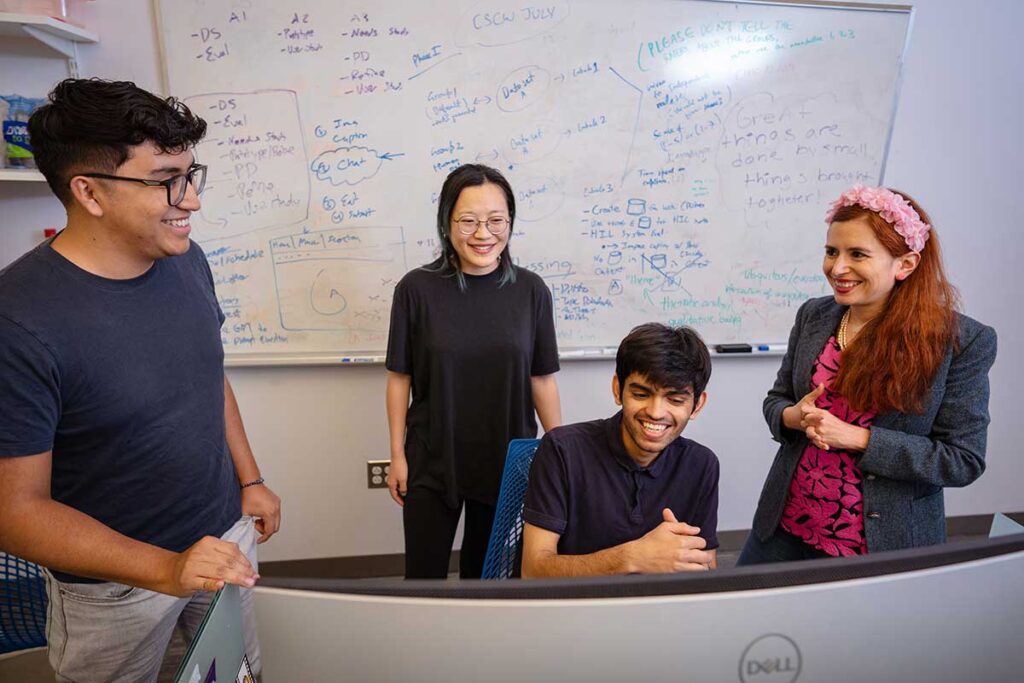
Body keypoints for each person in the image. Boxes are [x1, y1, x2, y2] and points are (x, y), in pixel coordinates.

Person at [0, 78, 281, 681]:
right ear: (89, 192)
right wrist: (166, 569)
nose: (192, 201)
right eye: (164, 181)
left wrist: (248, 477)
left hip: (221, 543)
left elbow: (209, 375)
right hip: (113, 594)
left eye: (190, 174)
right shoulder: (17, 320)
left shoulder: (186, 259)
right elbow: (14, 511)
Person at [738, 186, 997, 565]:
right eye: (831, 252)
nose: (837, 268)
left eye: (857, 254)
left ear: (905, 264)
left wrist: (859, 438)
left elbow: (961, 460)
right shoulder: (814, 315)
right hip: (785, 526)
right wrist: (792, 416)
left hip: (881, 545)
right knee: (754, 621)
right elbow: (777, 399)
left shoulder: (961, 342)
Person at [385, 164, 562, 579]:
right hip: (431, 457)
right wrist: (397, 455)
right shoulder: (416, 289)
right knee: (423, 579)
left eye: (496, 220)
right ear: (447, 223)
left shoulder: (531, 291)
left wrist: (559, 454)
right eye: (468, 221)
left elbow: (541, 378)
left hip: (504, 459)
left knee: (488, 580)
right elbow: (399, 379)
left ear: (510, 222)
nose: (483, 233)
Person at [521, 323, 719, 578]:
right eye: (640, 394)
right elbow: (533, 570)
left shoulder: (702, 465)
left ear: (697, 405)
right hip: (576, 609)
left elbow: (706, 568)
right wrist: (633, 557)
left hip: (657, 611)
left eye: (676, 399)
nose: (656, 412)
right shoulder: (562, 450)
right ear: (618, 389)